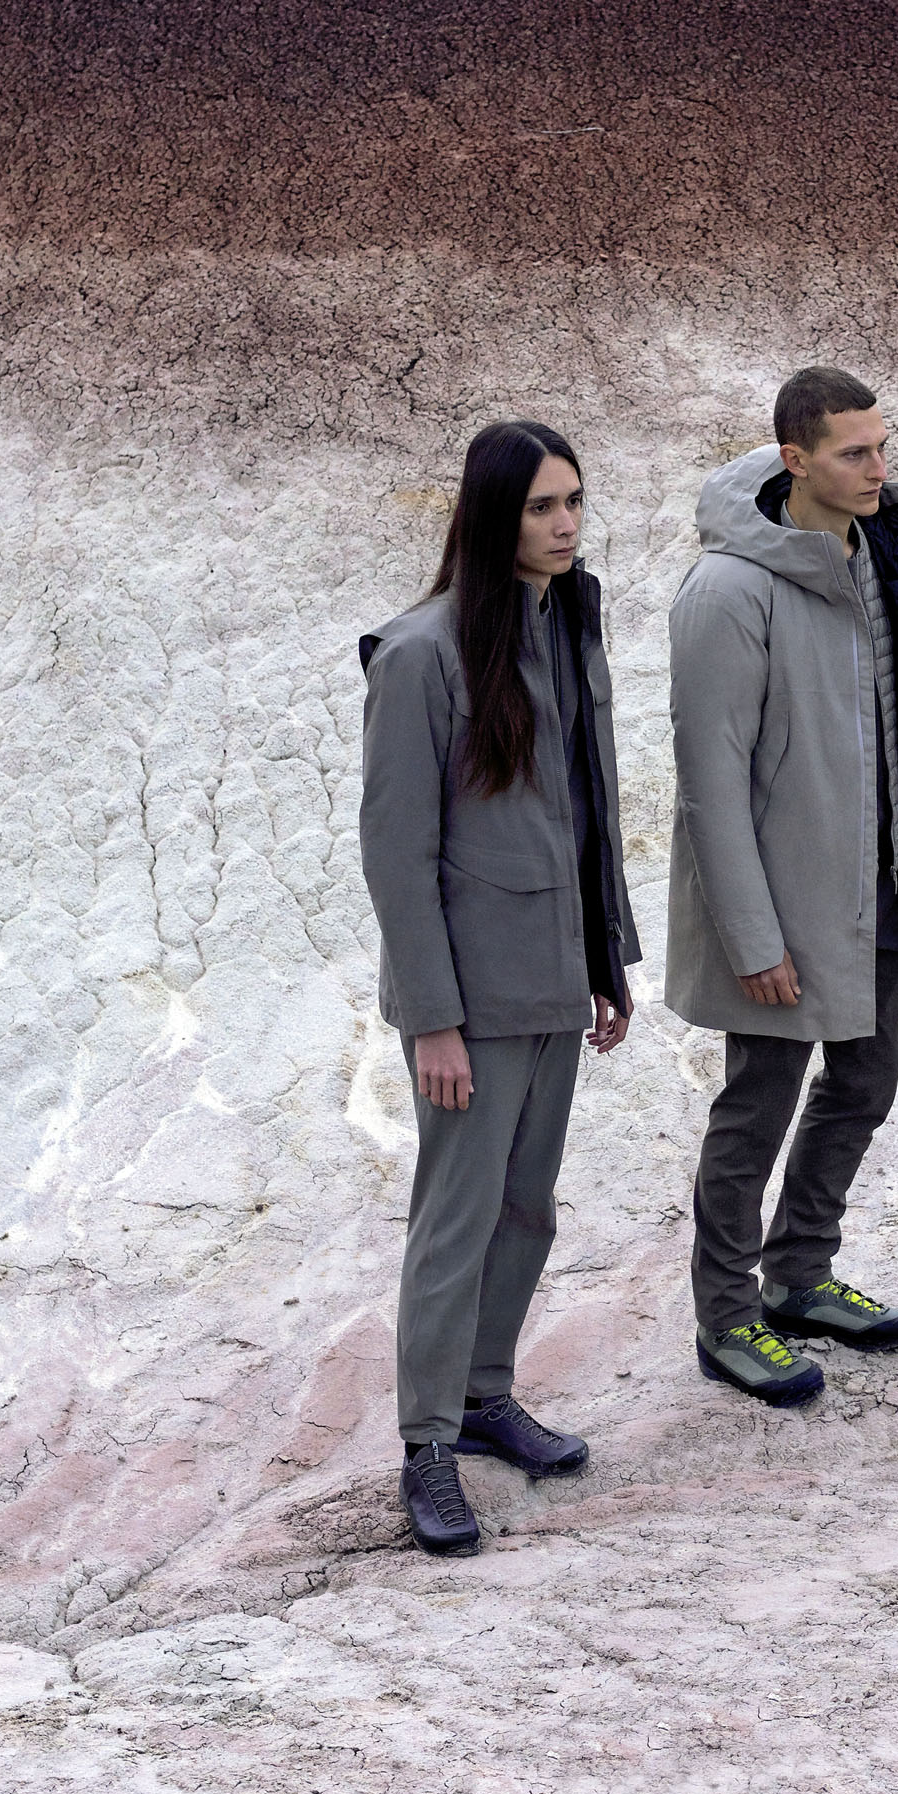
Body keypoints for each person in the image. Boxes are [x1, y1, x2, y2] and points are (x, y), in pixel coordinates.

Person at [359, 422, 640, 1554]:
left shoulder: (565, 624)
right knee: (457, 1218)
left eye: (573, 502)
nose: (565, 525)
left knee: (527, 1207)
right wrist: (434, 1020)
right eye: (539, 507)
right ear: (491, 516)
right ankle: (427, 1446)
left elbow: (586, 810)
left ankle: (484, 1397)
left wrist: (605, 961)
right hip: (468, 999)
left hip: (552, 976)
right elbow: (396, 853)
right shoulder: (420, 654)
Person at [667, 366, 898, 1405]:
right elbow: (708, 785)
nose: (879, 469)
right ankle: (725, 1317)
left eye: (882, 447)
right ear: (795, 460)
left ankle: (799, 1276)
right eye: (854, 453)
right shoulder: (726, 591)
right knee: (757, 1108)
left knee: (866, 1081)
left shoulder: (873, 552)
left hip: (882, 880)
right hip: (784, 904)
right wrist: (753, 939)